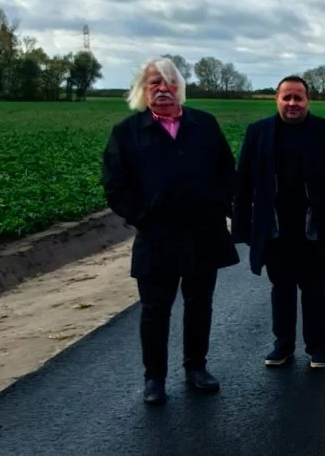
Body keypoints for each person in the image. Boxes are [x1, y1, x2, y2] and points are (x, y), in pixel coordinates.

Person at [101, 57, 239, 404]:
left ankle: (196, 367)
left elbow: (227, 172)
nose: (163, 89)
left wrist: (222, 207)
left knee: (199, 305)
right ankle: (154, 378)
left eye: (170, 82)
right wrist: (143, 216)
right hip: (156, 237)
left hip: (203, 233)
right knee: (155, 310)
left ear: (180, 88)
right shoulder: (126, 132)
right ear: (143, 90)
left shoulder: (204, 124)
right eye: (155, 83)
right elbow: (115, 186)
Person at [233, 75, 325, 370]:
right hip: (275, 229)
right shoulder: (258, 133)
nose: (292, 103)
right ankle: (283, 344)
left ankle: (318, 347)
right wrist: (243, 227)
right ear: (277, 100)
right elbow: (243, 184)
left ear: (308, 100)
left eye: (298, 97)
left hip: (314, 228)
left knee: (315, 289)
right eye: (286, 97)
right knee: (281, 288)